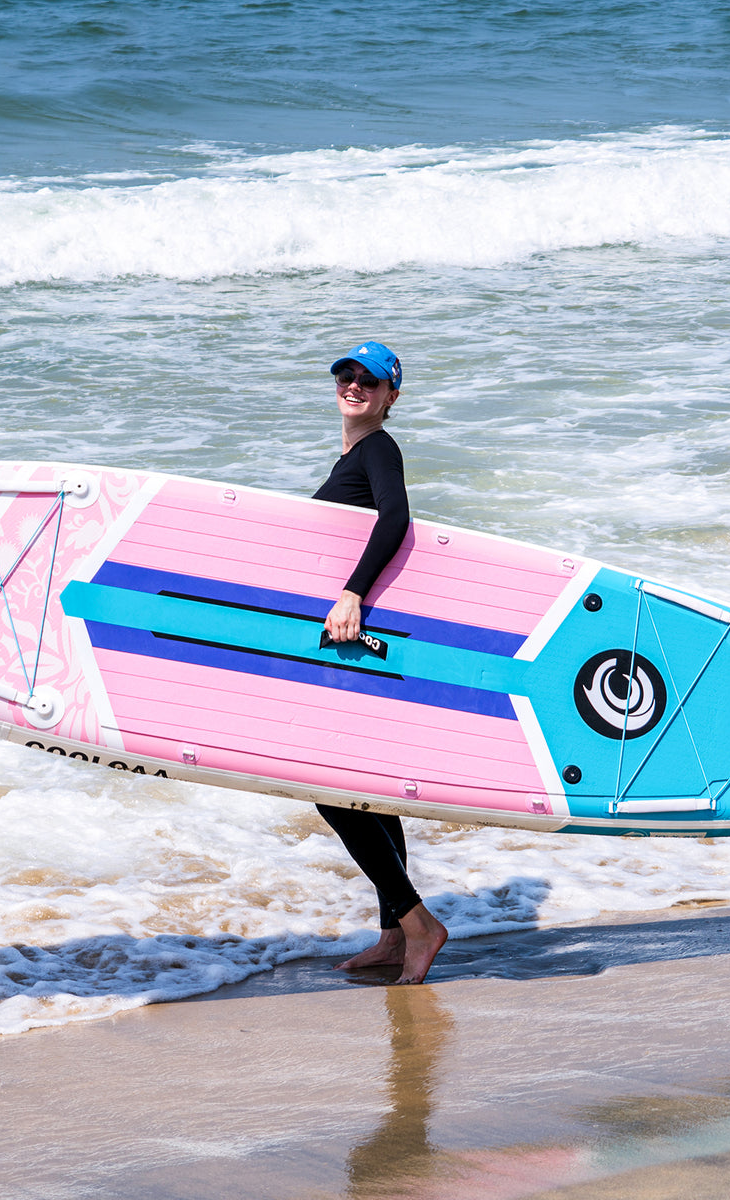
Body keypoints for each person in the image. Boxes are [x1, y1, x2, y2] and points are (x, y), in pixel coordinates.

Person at [312, 341, 448, 985]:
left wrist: (352, 594)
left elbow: (396, 518)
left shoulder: (378, 450)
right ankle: (395, 935)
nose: (354, 385)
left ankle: (418, 924)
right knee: (360, 792)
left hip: (354, 629)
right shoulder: (352, 454)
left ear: (393, 395)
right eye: (346, 374)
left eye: (370, 379)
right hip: (346, 635)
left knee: (335, 794)